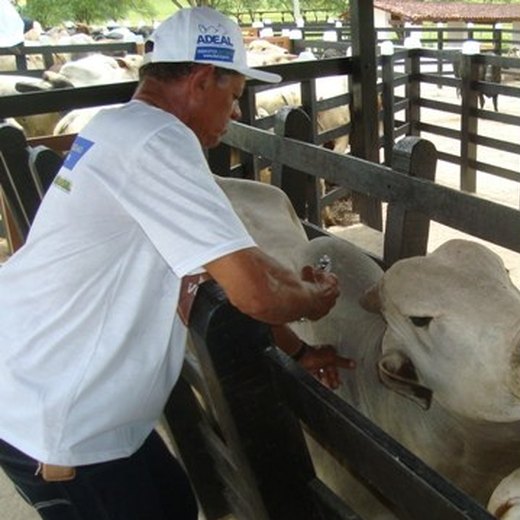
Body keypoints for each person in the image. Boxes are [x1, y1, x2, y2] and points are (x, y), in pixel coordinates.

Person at [0, 7, 354, 519]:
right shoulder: (160, 142)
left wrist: (296, 351)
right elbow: (253, 293)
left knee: (173, 501)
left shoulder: (121, 126)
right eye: (233, 97)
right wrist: (314, 302)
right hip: (59, 420)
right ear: (202, 79)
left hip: (57, 388)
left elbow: (232, 260)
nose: (234, 114)